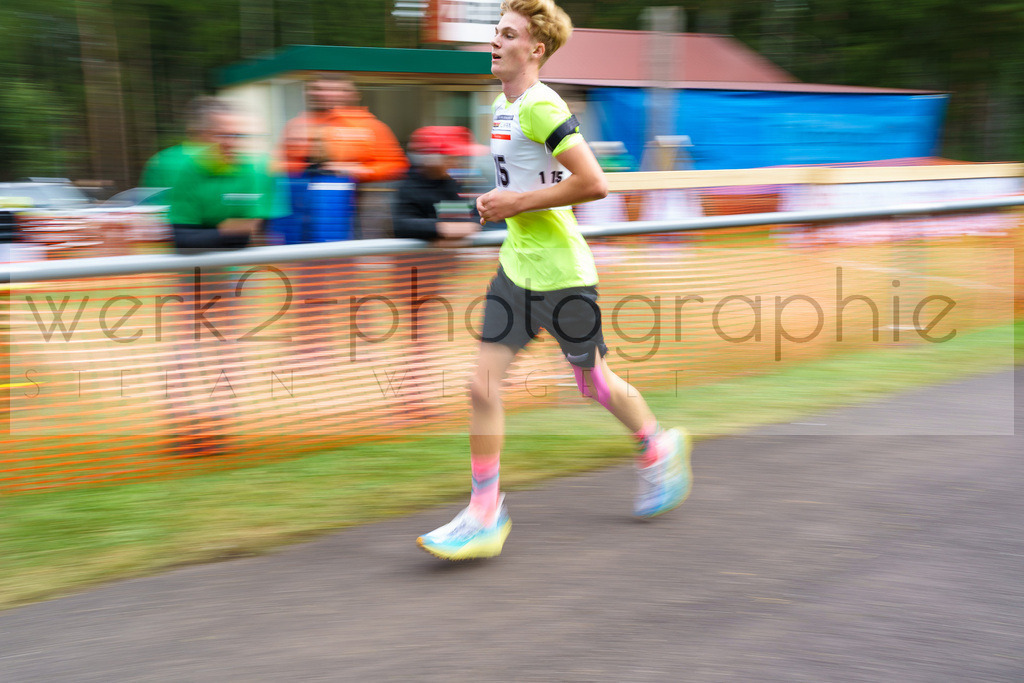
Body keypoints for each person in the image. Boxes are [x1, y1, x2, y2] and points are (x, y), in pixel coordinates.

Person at [416, 0, 692, 561]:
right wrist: (493, 203)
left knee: (592, 383)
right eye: (495, 31)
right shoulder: (501, 107)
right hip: (517, 268)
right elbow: (520, 175)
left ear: (534, 49)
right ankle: (485, 512)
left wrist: (518, 200)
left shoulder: (542, 106)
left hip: (563, 274)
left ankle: (658, 448)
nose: (495, 41)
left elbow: (594, 183)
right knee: (482, 387)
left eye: (508, 34)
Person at [279, 74, 408, 240]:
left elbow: (396, 165)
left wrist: (360, 170)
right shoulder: (297, 125)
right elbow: (282, 164)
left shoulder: (372, 127)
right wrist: (308, 168)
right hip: (308, 202)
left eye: (334, 90)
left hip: (362, 202)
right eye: (319, 89)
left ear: (351, 94)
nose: (326, 94)